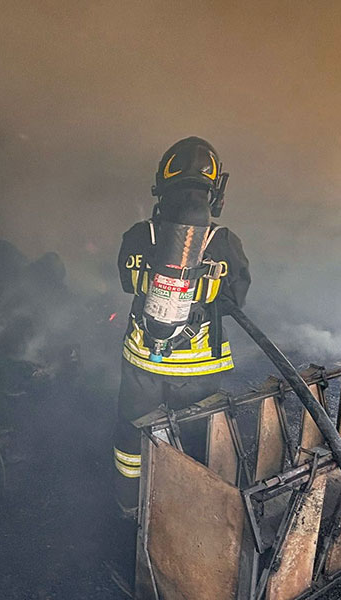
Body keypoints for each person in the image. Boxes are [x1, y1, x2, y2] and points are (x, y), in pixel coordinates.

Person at [113, 137, 251, 517]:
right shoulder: (223, 241)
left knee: (131, 438)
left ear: (162, 183)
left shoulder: (139, 235)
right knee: (197, 437)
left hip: (143, 363)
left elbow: (127, 282)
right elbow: (236, 298)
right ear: (214, 191)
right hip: (200, 368)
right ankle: (187, 512)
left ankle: (131, 505)